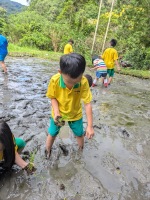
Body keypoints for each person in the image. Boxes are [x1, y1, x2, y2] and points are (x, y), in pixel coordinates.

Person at [46, 53, 94, 158]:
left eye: (76, 82)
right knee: (52, 133)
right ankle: (47, 151)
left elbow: (87, 104)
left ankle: (80, 152)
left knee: (79, 134)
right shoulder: (55, 80)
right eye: (69, 82)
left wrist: (90, 126)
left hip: (75, 114)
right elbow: (52, 97)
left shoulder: (84, 82)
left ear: (82, 74)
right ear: (60, 72)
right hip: (59, 114)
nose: (72, 85)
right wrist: (57, 112)